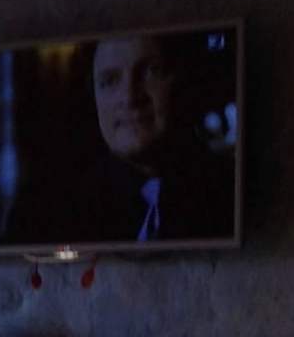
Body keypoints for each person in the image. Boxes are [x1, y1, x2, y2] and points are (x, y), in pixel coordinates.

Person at [82, 32, 237, 245]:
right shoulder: (72, 209)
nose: (129, 97)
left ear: (181, 81)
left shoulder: (227, 193)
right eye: (109, 81)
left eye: (151, 72)